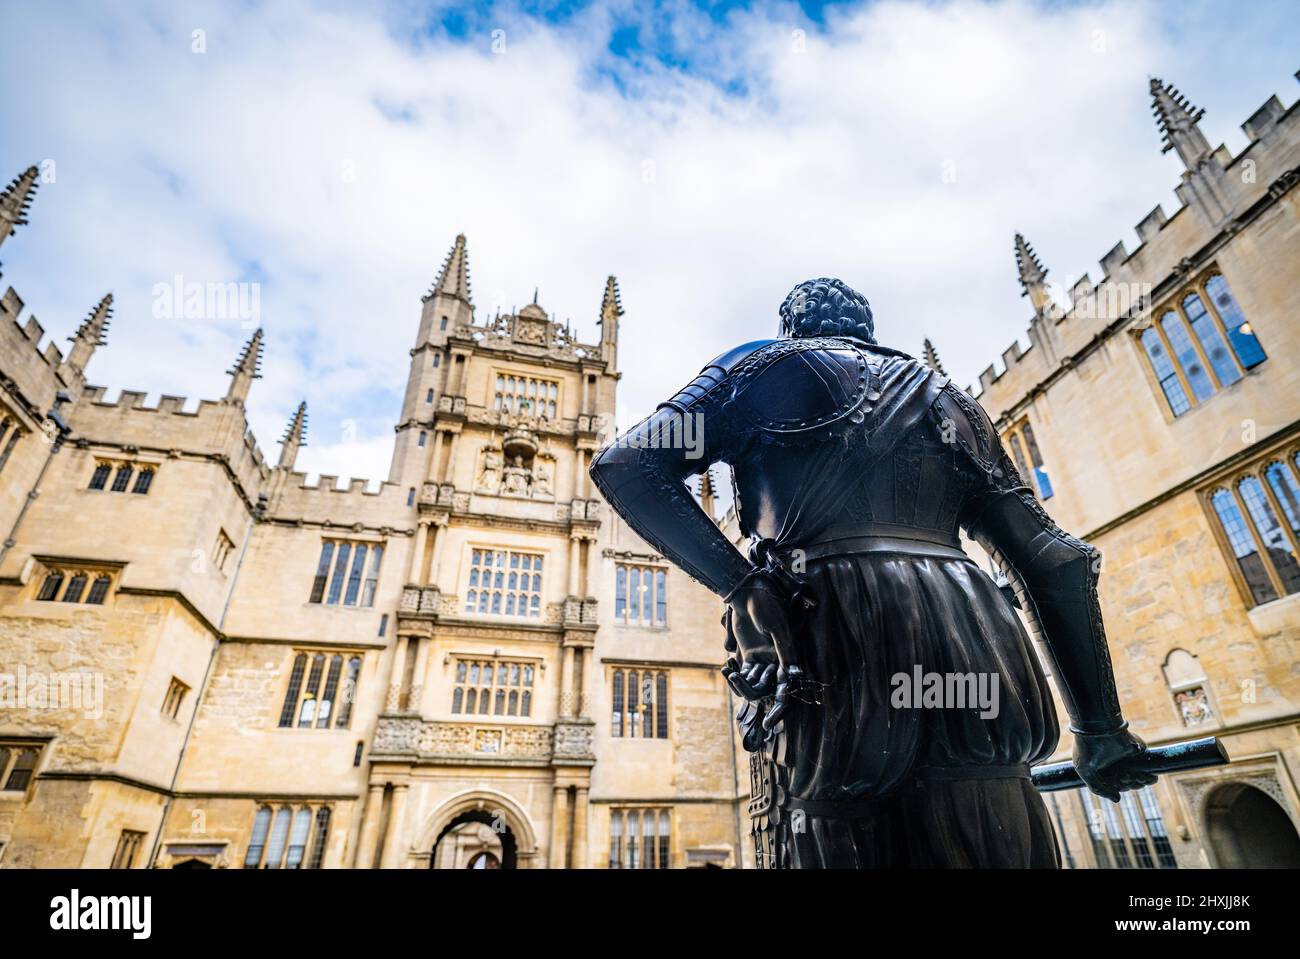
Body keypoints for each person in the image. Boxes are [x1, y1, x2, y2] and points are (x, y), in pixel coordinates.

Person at [588, 277, 1155, 868]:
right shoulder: (951, 400)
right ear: (868, 329)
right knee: (991, 825)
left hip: (829, 630)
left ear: (794, 328)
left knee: (829, 826)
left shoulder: (760, 367)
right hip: (973, 637)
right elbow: (1055, 561)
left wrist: (746, 586)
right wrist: (1100, 727)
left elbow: (629, 463)